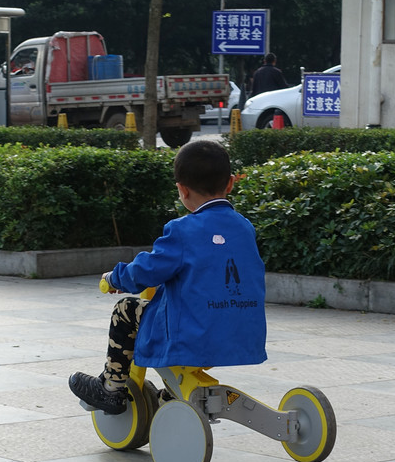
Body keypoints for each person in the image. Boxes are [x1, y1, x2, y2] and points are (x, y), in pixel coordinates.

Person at [69, 139, 267, 414]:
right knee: (165, 314)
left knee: (126, 310)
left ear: (182, 190)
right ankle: (169, 401)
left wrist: (115, 278)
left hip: (193, 333)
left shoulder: (182, 231)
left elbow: (146, 270)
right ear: (230, 183)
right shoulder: (244, 227)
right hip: (241, 332)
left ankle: (112, 388)